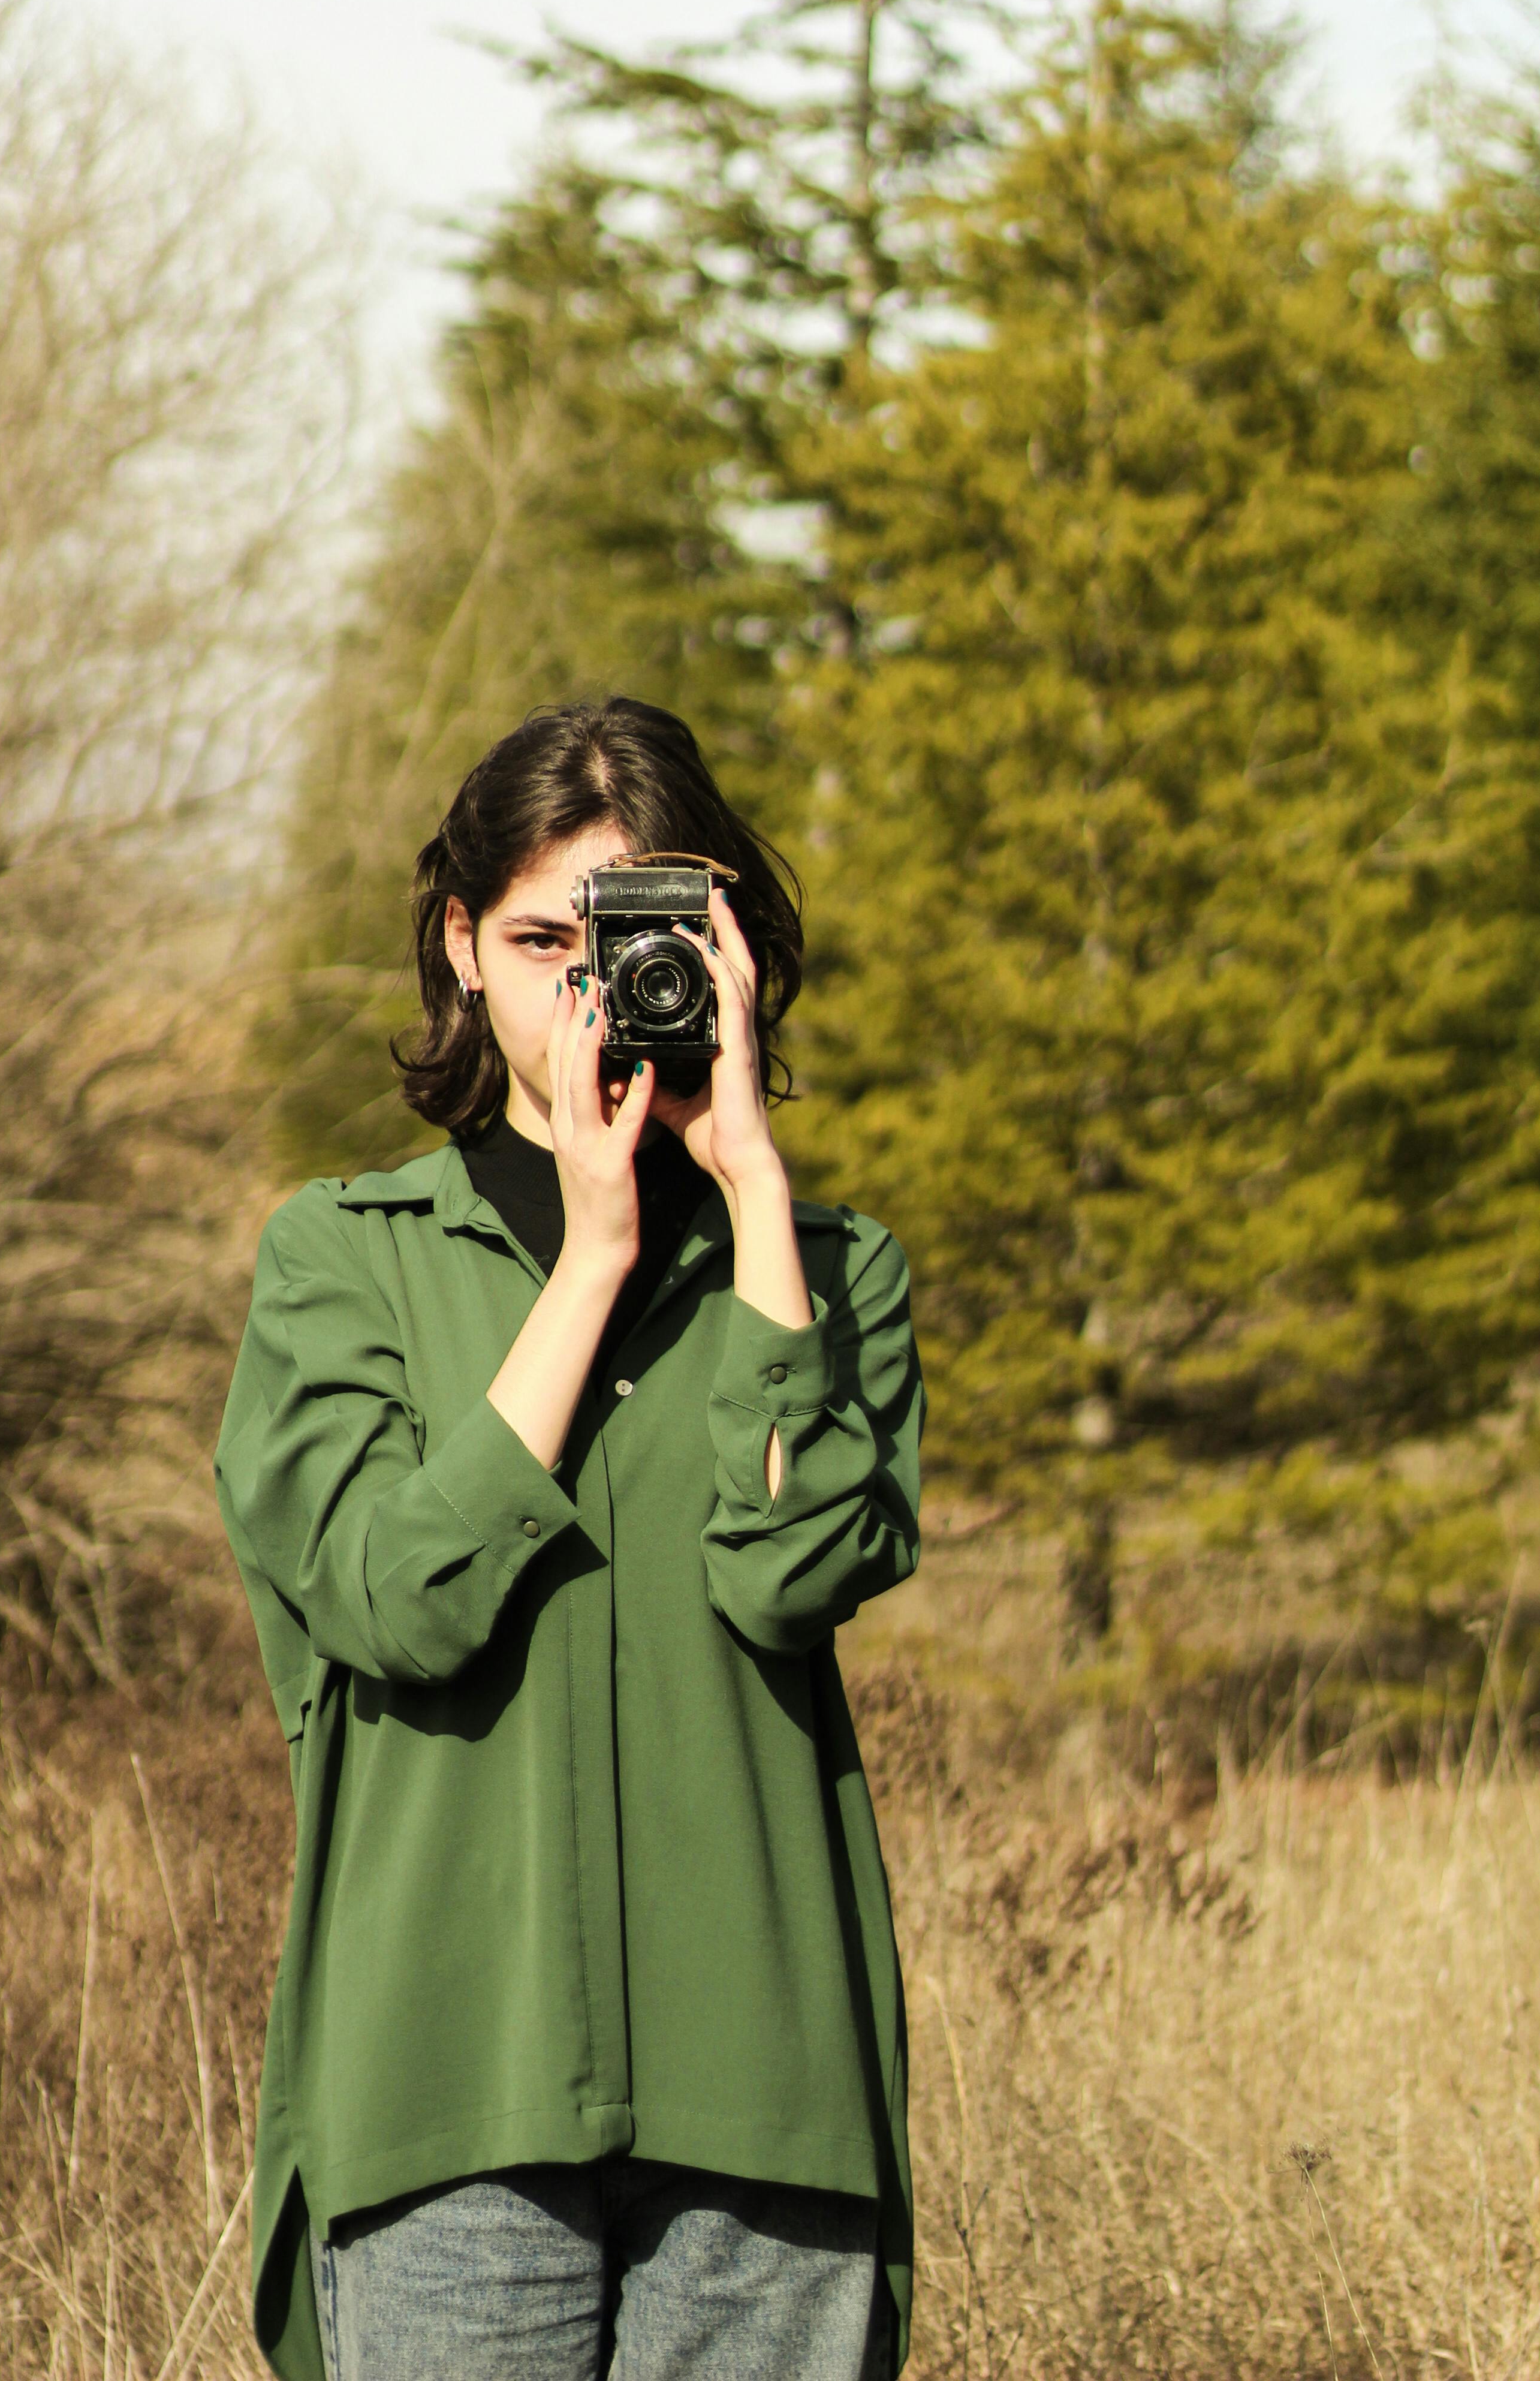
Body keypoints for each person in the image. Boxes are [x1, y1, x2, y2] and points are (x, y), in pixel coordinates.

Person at [216, 697, 923, 2381]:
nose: (589, 987)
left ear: (730, 949)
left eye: (643, 938)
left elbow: (795, 1567)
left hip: (763, 2094)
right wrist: (595, 1260)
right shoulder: (344, 1260)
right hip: (449, 2095)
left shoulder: (830, 1274)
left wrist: (748, 1187)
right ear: (460, 946)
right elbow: (396, 1597)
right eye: (542, 938)